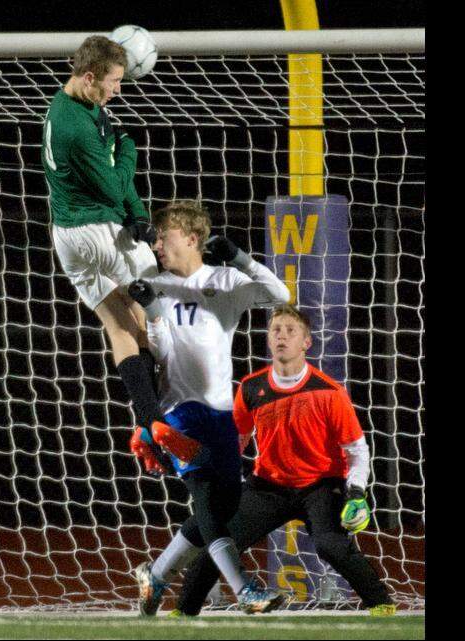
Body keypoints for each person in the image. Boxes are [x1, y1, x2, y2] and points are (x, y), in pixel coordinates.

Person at [166, 304, 397, 618]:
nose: (282, 336)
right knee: (221, 537)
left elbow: (357, 451)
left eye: (291, 331)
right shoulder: (251, 388)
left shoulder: (330, 392)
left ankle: (381, 603)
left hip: (320, 486)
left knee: (330, 544)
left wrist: (356, 492)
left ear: (306, 342)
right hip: (268, 486)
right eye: (276, 330)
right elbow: (236, 441)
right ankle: (184, 611)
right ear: (268, 339)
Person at [123, 200, 290, 615]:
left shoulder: (225, 279)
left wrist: (240, 257)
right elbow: (158, 351)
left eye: (164, 237)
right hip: (179, 411)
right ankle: (245, 589)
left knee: (224, 505)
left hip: (220, 412)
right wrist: (153, 309)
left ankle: (156, 574)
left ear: (192, 237)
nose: (157, 245)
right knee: (205, 494)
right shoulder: (153, 282)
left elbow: (280, 294)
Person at [43, 35, 165, 439]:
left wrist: (139, 214)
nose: (118, 90)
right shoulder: (76, 128)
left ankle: (149, 423)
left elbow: (112, 170)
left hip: (67, 238)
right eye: (114, 81)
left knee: (120, 323)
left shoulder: (76, 104)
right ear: (90, 77)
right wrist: (131, 151)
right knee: (158, 309)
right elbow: (114, 186)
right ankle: (176, 405)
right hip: (97, 232)